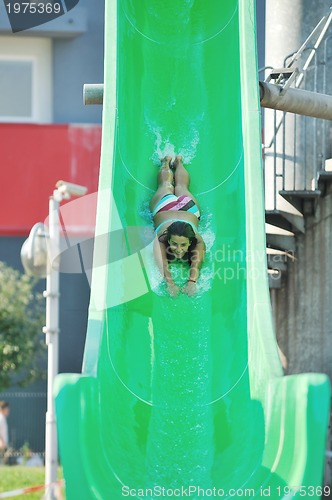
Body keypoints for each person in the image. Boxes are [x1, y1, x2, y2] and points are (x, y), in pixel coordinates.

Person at [150, 155, 206, 297]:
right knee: (181, 186)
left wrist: (192, 281)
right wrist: (170, 283)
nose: (179, 250)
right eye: (174, 244)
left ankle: (170, 162)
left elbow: (196, 263)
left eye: (183, 245)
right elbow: (163, 265)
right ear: (168, 239)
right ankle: (171, 162)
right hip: (177, 208)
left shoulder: (197, 240)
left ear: (190, 242)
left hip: (175, 208)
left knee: (166, 186)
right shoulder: (161, 238)